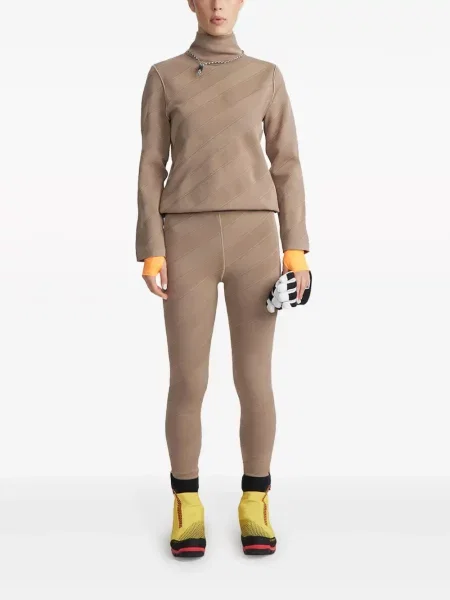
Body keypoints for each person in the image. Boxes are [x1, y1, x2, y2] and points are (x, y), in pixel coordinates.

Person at [136, 0, 311, 558]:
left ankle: (255, 501)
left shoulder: (266, 76)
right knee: (188, 380)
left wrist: (296, 249)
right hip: (184, 239)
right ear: (190, 2)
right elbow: (150, 164)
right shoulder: (164, 76)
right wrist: (151, 247)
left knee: (254, 380)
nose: (217, 5)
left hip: (256, 239)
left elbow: (287, 164)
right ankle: (186, 503)